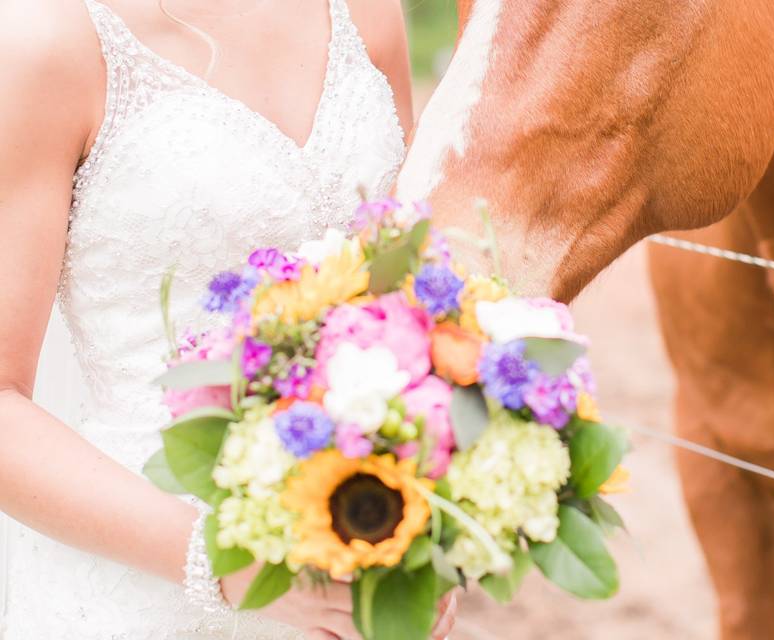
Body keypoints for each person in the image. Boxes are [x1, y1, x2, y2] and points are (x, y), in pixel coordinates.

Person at [0, 0, 455, 637]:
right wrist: (228, 564)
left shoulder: (366, 11)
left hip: (358, 558)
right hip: (140, 581)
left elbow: (398, 295)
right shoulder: (47, 42)